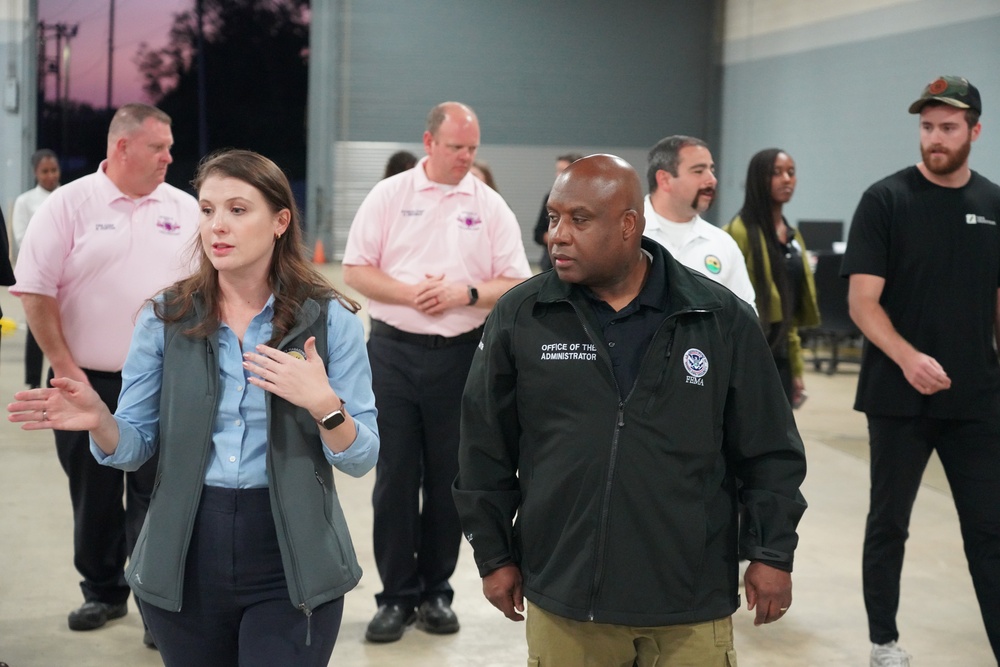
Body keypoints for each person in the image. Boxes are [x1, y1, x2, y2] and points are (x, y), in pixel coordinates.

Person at [8, 149, 380, 667]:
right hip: (185, 553)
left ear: (280, 221)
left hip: (292, 557)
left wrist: (325, 406)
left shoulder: (331, 320)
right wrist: (102, 421)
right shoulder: (165, 317)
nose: (216, 227)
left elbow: (360, 457)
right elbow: (134, 446)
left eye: (237, 209)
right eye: (206, 210)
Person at [454, 154, 808, 665]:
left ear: (627, 225)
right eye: (553, 217)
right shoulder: (522, 315)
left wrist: (771, 551)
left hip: (689, 596)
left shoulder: (719, 317)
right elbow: (482, 445)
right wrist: (493, 554)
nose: (557, 235)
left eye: (579, 219)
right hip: (567, 596)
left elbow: (769, 447)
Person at [8, 103, 198, 644]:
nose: (169, 156)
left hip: (165, 381)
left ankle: (155, 604)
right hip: (85, 379)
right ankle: (103, 591)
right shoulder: (68, 205)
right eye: (159, 147)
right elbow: (35, 293)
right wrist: (68, 371)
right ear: (122, 148)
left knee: (158, 495)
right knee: (93, 494)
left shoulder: (185, 209)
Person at [343, 101, 531, 643]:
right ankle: (396, 597)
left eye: (472, 148)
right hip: (394, 353)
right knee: (396, 479)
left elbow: (514, 282)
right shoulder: (390, 195)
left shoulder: (489, 205)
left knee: (453, 479)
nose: (465, 157)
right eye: (456, 148)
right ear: (429, 143)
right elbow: (356, 268)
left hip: (460, 356)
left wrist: (464, 293)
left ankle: (436, 593)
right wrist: (412, 294)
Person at [842, 75, 1000, 666]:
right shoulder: (886, 200)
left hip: (976, 399)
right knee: (890, 525)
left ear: (974, 132)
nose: (935, 138)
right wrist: (908, 358)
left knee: (989, 532)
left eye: (949, 128)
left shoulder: (993, 204)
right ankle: (884, 641)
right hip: (897, 397)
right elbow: (862, 302)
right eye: (928, 126)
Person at [725, 148, 819, 408]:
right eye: (776, 173)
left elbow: (790, 315)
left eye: (791, 172)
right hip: (749, 355)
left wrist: (797, 368)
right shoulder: (736, 233)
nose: (787, 179)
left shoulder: (793, 237)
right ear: (758, 179)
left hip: (782, 352)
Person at [644, 135, 756, 308]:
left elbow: (745, 315)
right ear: (665, 179)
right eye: (698, 171)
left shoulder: (723, 243)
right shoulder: (628, 235)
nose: (712, 180)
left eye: (711, 170)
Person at [12, 148, 61, 389]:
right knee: (37, 327)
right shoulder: (25, 201)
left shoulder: (67, 195)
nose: (50, 175)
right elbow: (22, 237)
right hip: (38, 273)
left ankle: (61, 377)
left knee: (64, 328)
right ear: (35, 173)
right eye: (45, 171)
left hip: (64, 273)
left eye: (54, 170)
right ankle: (33, 381)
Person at [533, 153, 582, 271]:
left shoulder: (589, 199)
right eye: (558, 171)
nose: (558, 175)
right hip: (551, 263)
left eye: (562, 171)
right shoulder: (551, 197)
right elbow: (538, 233)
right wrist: (555, 237)